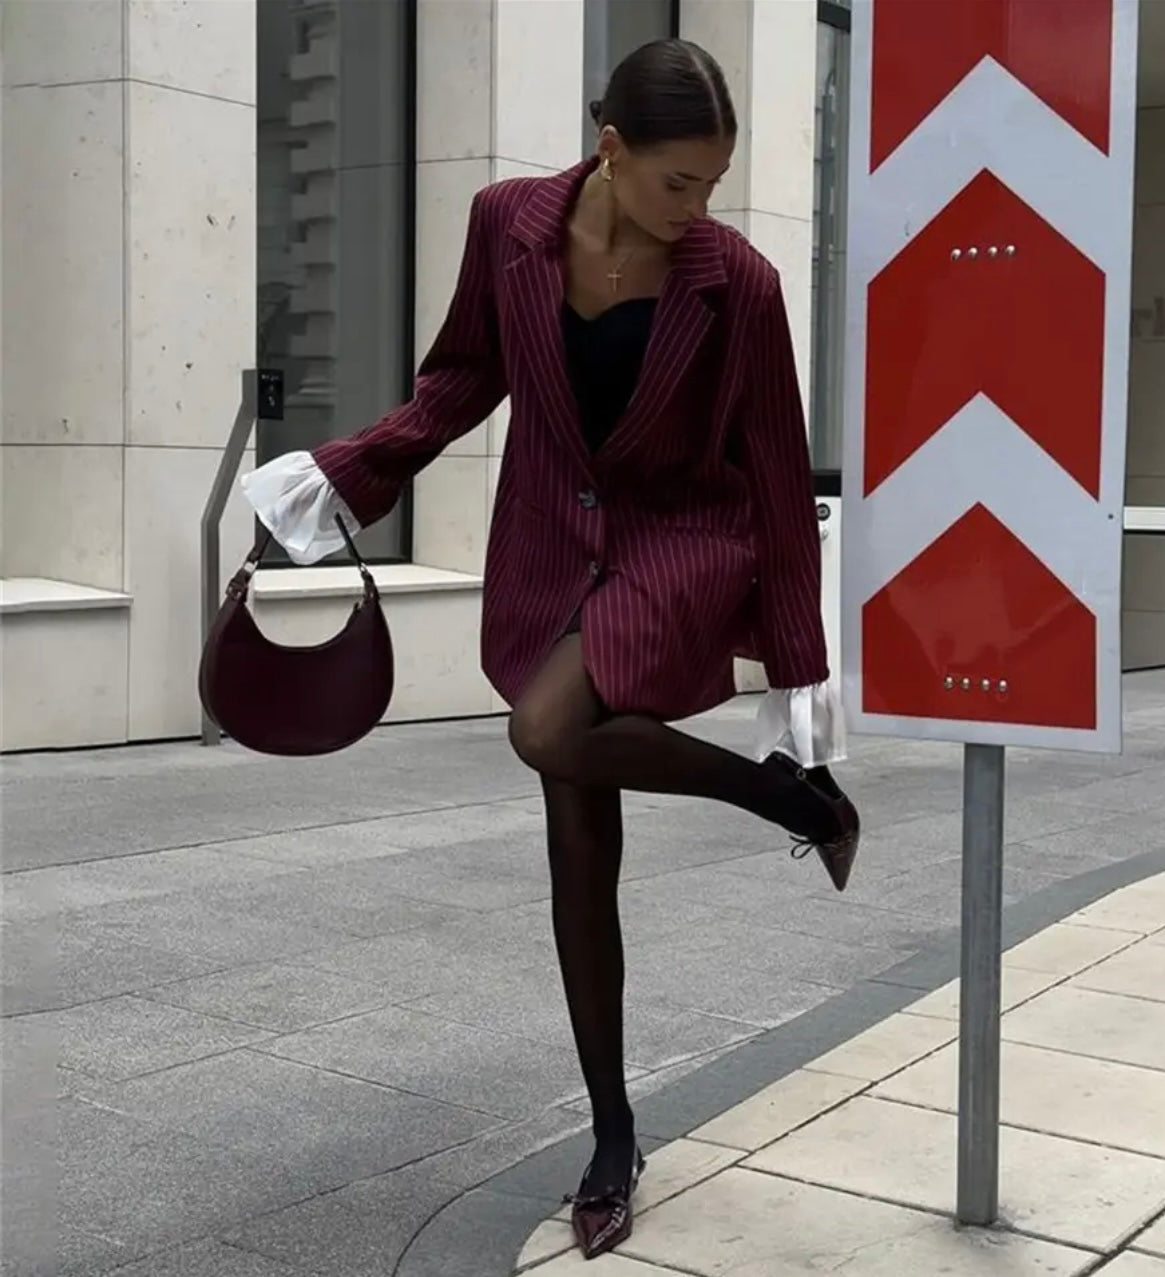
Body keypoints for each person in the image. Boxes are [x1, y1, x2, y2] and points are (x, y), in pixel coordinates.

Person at [241, 38, 858, 1263]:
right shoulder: (505, 225)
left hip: (681, 539)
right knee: (578, 839)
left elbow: (779, 471)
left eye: (715, 183)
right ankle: (614, 1132)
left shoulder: (738, 280)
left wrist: (800, 662)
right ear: (612, 149)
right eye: (681, 182)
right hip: (546, 545)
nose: (700, 209)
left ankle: (787, 794)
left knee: (549, 727)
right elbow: (461, 376)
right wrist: (343, 472)